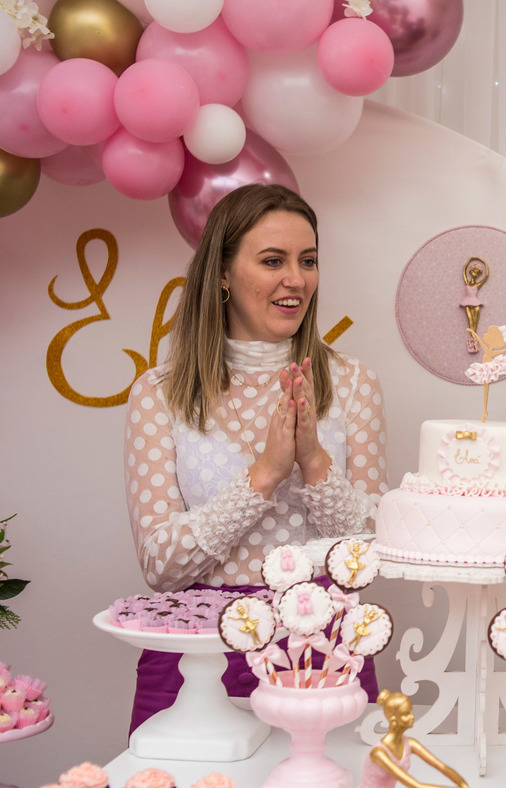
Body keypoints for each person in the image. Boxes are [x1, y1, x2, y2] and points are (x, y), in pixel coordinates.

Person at [123, 183, 388, 732]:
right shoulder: (160, 392)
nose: (297, 279)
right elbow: (160, 566)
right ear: (222, 273)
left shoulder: (352, 382)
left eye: (307, 260)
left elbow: (367, 555)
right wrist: (264, 475)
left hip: (322, 649)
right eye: (273, 261)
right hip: (198, 657)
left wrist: (315, 462)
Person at [360, 690, 469, 788]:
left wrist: (462, 782)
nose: (412, 717)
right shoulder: (378, 753)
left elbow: (440, 765)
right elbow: (416, 786)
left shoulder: (410, 743)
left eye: (411, 712)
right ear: (393, 719)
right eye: (406, 714)